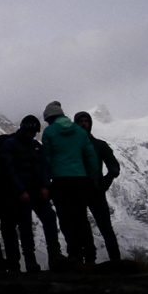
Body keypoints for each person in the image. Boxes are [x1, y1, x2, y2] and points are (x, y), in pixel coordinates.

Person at [0, 115, 65, 272]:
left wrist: (45, 186)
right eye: (30, 131)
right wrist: (20, 190)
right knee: (25, 226)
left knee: (49, 218)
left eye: (34, 132)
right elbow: (9, 169)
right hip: (21, 193)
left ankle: (54, 256)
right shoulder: (11, 145)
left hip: (36, 191)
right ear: (23, 129)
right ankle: (30, 261)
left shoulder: (35, 145)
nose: (32, 134)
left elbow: (44, 167)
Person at [41, 101, 99, 266]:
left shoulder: (49, 132)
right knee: (81, 218)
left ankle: (74, 255)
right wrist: (92, 177)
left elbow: (46, 158)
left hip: (60, 181)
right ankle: (90, 255)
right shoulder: (80, 132)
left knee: (66, 219)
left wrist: (47, 181)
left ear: (49, 118)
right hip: (80, 180)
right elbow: (90, 156)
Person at [73, 111, 122, 264]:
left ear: (90, 123)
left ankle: (115, 261)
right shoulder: (74, 146)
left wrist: (105, 182)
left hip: (95, 190)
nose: (83, 123)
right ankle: (89, 260)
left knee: (105, 227)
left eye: (86, 121)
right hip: (79, 190)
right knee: (81, 227)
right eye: (80, 121)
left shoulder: (99, 145)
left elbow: (114, 167)